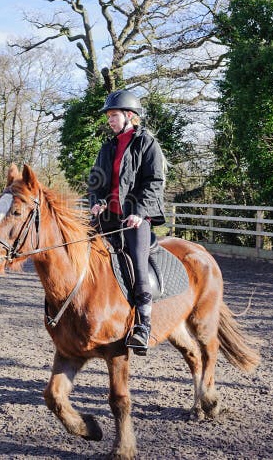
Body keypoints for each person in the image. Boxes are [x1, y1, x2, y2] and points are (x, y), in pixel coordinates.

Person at [87, 89, 167, 355]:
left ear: (130, 116)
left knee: (137, 260)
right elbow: (96, 181)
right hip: (107, 216)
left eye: (113, 115)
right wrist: (96, 201)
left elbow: (154, 182)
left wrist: (140, 211)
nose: (109, 120)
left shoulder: (147, 144)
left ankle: (143, 325)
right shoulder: (107, 147)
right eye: (109, 116)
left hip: (134, 218)